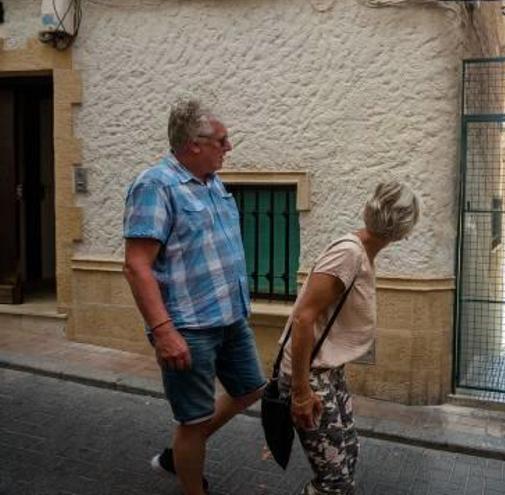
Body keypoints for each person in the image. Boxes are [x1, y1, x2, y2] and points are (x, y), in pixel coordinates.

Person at [122, 98, 265, 495]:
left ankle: (178, 452)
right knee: (193, 419)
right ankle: (191, 483)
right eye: (222, 140)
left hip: (230, 317)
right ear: (193, 145)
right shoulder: (155, 184)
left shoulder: (212, 181)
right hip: (189, 326)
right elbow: (137, 266)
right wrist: (164, 331)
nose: (229, 147)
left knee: (251, 388)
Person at [280, 181, 420, 495]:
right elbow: (304, 318)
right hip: (309, 376)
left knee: (349, 454)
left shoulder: (363, 252)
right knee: (334, 482)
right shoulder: (349, 253)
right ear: (404, 228)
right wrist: (301, 392)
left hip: (328, 372)